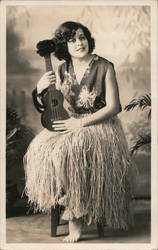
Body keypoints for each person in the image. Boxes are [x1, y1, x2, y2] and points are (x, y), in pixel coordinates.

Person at [24, 21, 135, 243]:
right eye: (72, 40)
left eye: (82, 37)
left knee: (68, 153)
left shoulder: (105, 66)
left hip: (99, 125)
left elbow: (113, 107)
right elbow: (49, 104)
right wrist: (40, 87)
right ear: (64, 46)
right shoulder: (63, 68)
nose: (79, 43)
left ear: (88, 39)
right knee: (43, 150)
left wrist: (80, 125)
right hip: (72, 121)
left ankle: (75, 214)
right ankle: (68, 197)